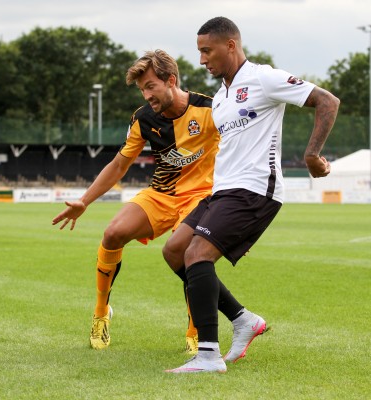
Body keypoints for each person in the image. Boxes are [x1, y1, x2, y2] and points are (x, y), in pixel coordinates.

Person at [165, 17, 339, 374]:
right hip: (222, 190)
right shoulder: (220, 99)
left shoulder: (264, 77)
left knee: (198, 253)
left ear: (231, 45)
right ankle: (243, 320)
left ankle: (208, 356)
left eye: (206, 50)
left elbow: (327, 101)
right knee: (174, 251)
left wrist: (311, 155)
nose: (201, 60)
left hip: (255, 189)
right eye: (199, 51)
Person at [53, 49, 234, 353]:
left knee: (189, 252)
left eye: (151, 86)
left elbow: (240, 146)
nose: (147, 94)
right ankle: (101, 314)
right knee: (112, 234)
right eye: (142, 89)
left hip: (200, 197)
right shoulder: (143, 118)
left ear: (171, 80)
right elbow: (119, 165)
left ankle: (195, 331)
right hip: (160, 195)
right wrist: (85, 201)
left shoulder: (211, 108)